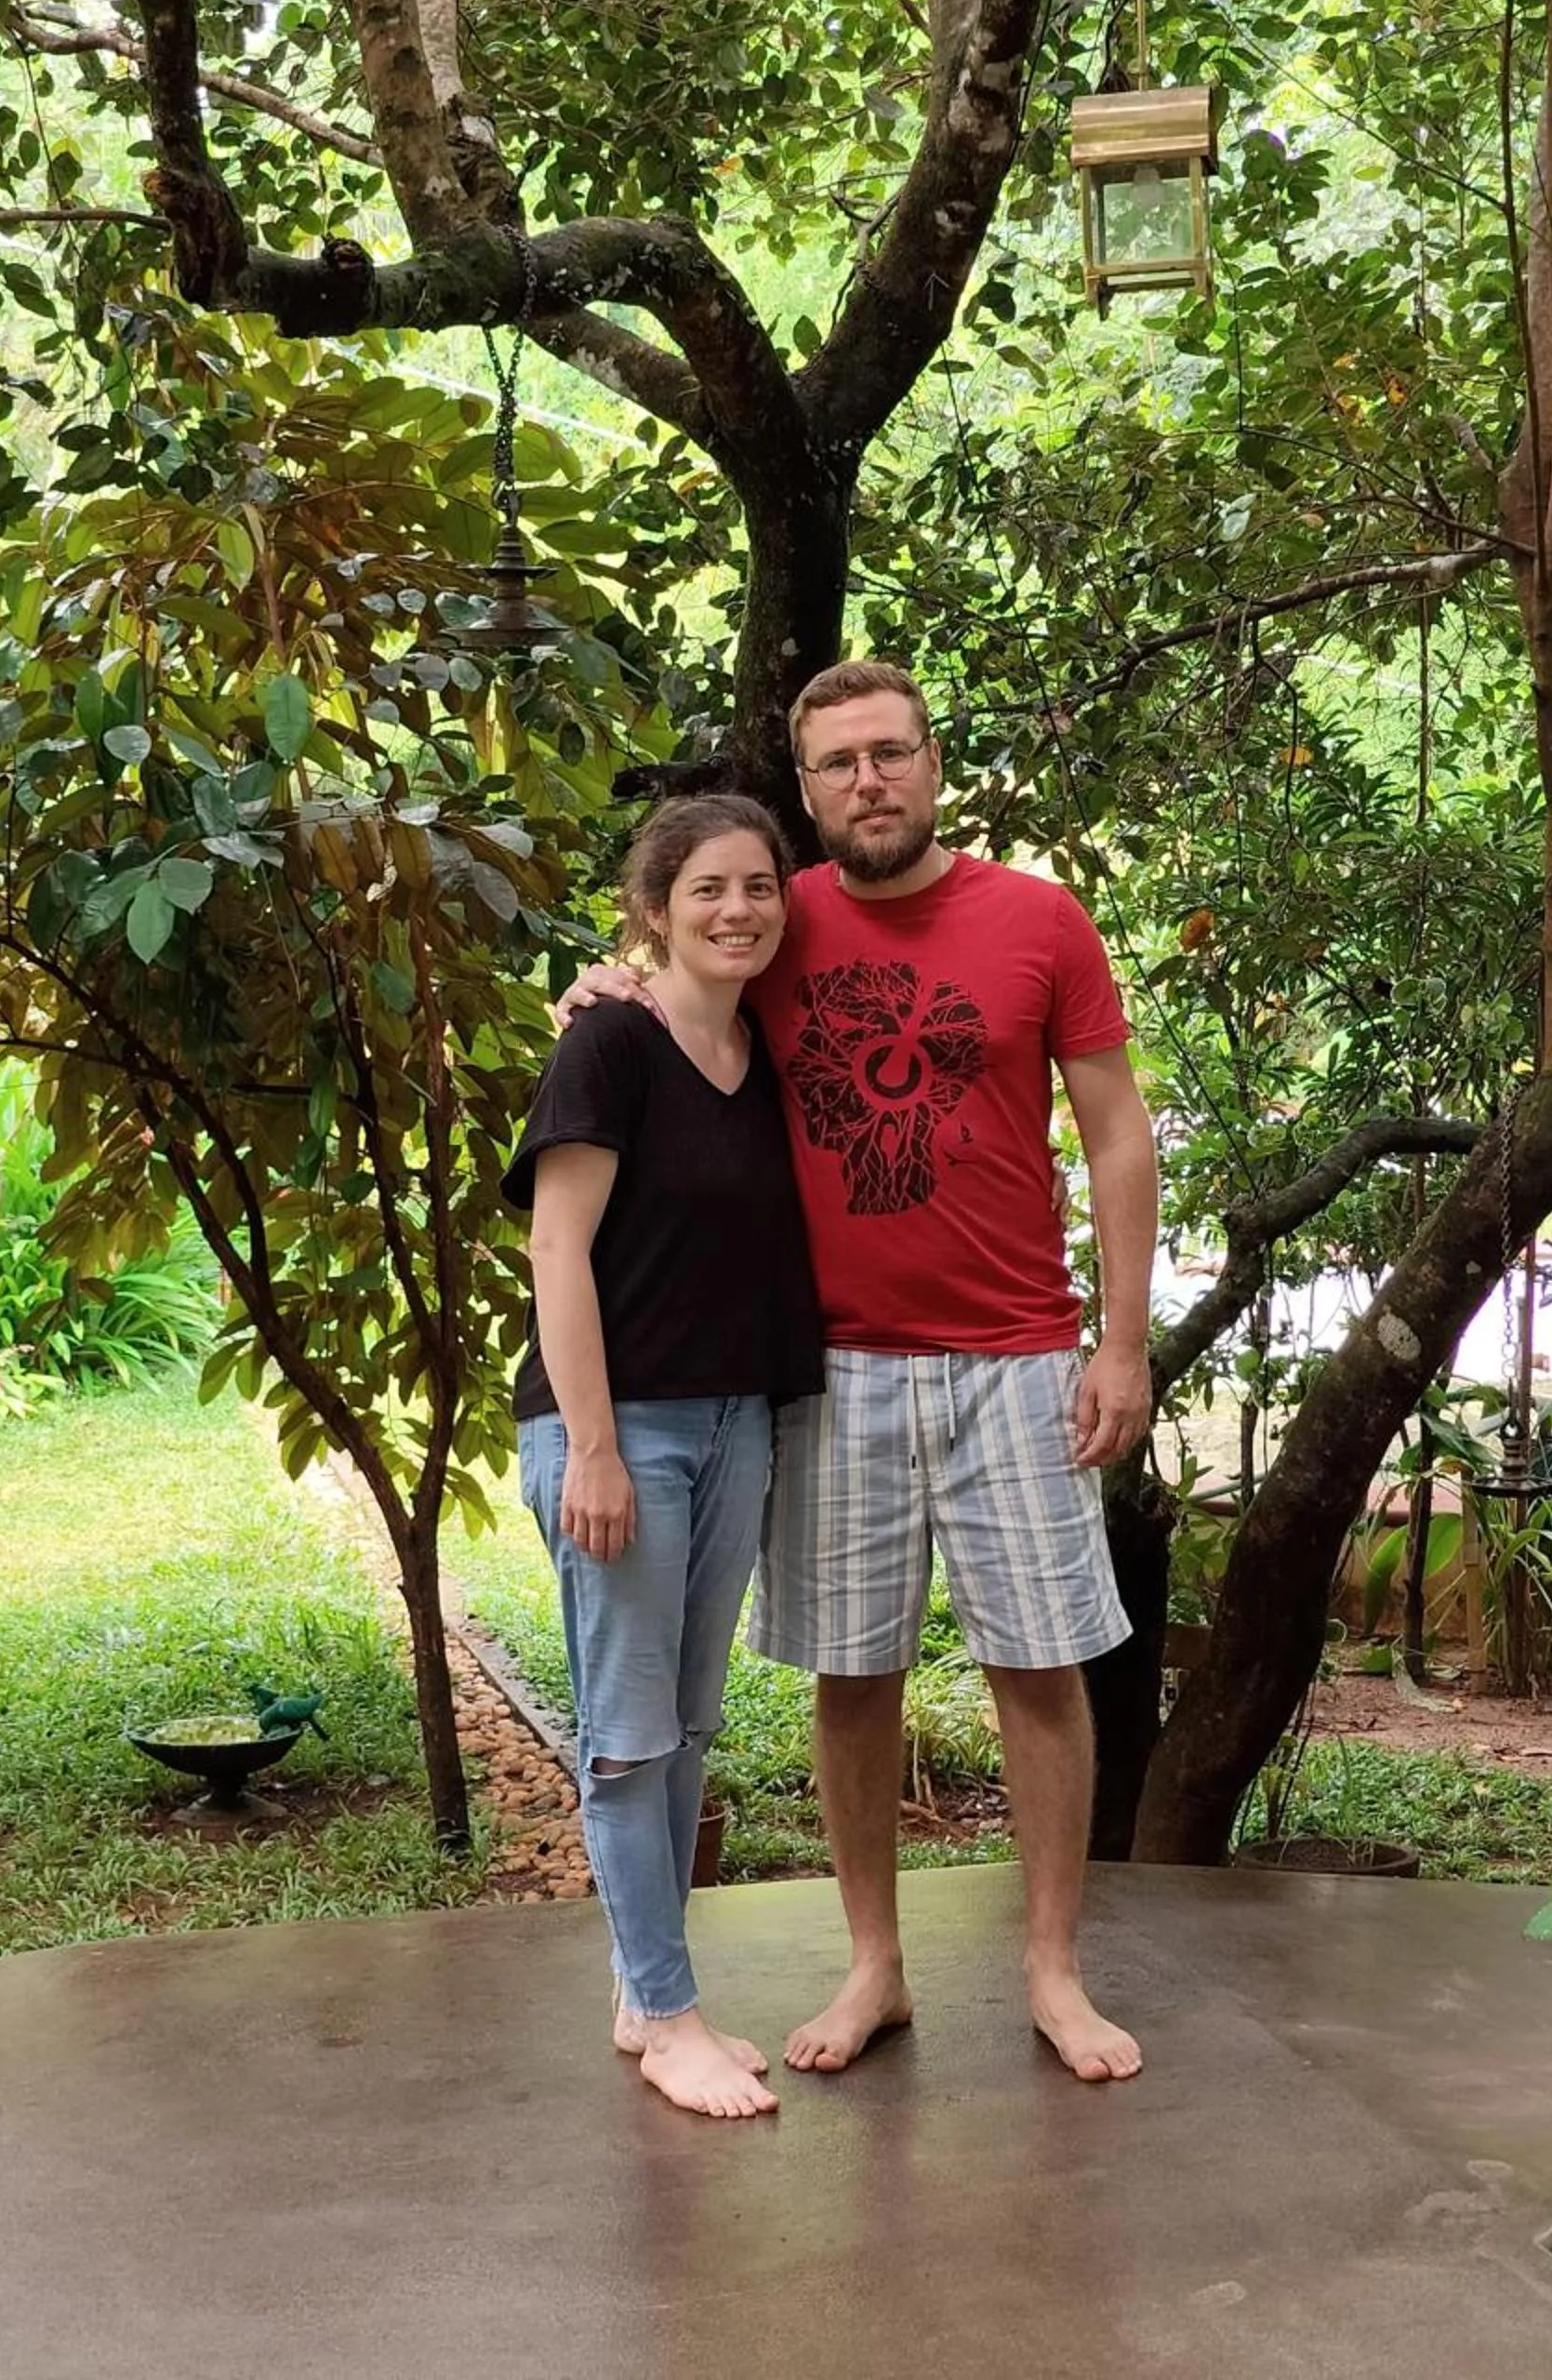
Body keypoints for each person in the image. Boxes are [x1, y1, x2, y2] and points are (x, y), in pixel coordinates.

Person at [562, 661, 1158, 2084]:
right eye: (836, 763)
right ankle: (874, 1966)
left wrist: (1123, 1343)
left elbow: (1116, 1135)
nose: (867, 781)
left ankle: (1051, 1970)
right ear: (806, 788)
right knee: (853, 1671)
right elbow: (666, 995)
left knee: (1040, 1667)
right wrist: (603, 984)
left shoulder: (1039, 919)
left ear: (933, 763)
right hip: (830, 1368)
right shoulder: (775, 923)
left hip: (1016, 1356)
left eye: (889, 753)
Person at [503, 793, 824, 2120]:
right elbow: (556, 1247)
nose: (737, 910)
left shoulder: (768, 1052)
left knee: (687, 1727)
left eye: (758, 886)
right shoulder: (609, 1045)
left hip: (735, 1419)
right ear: (652, 912)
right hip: (616, 1428)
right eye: (706, 890)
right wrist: (592, 1447)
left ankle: (647, 1996)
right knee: (631, 1737)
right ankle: (672, 2015)